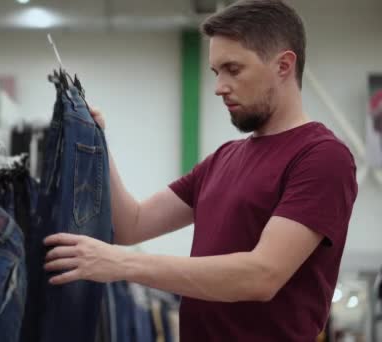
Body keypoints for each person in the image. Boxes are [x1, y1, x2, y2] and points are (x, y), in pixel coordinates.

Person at [43, 0, 358, 341]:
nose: (219, 86)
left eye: (233, 69)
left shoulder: (322, 157)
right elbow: (130, 225)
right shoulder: (224, 159)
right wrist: (98, 142)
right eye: (216, 72)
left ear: (283, 65)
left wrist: (121, 264)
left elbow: (262, 274)